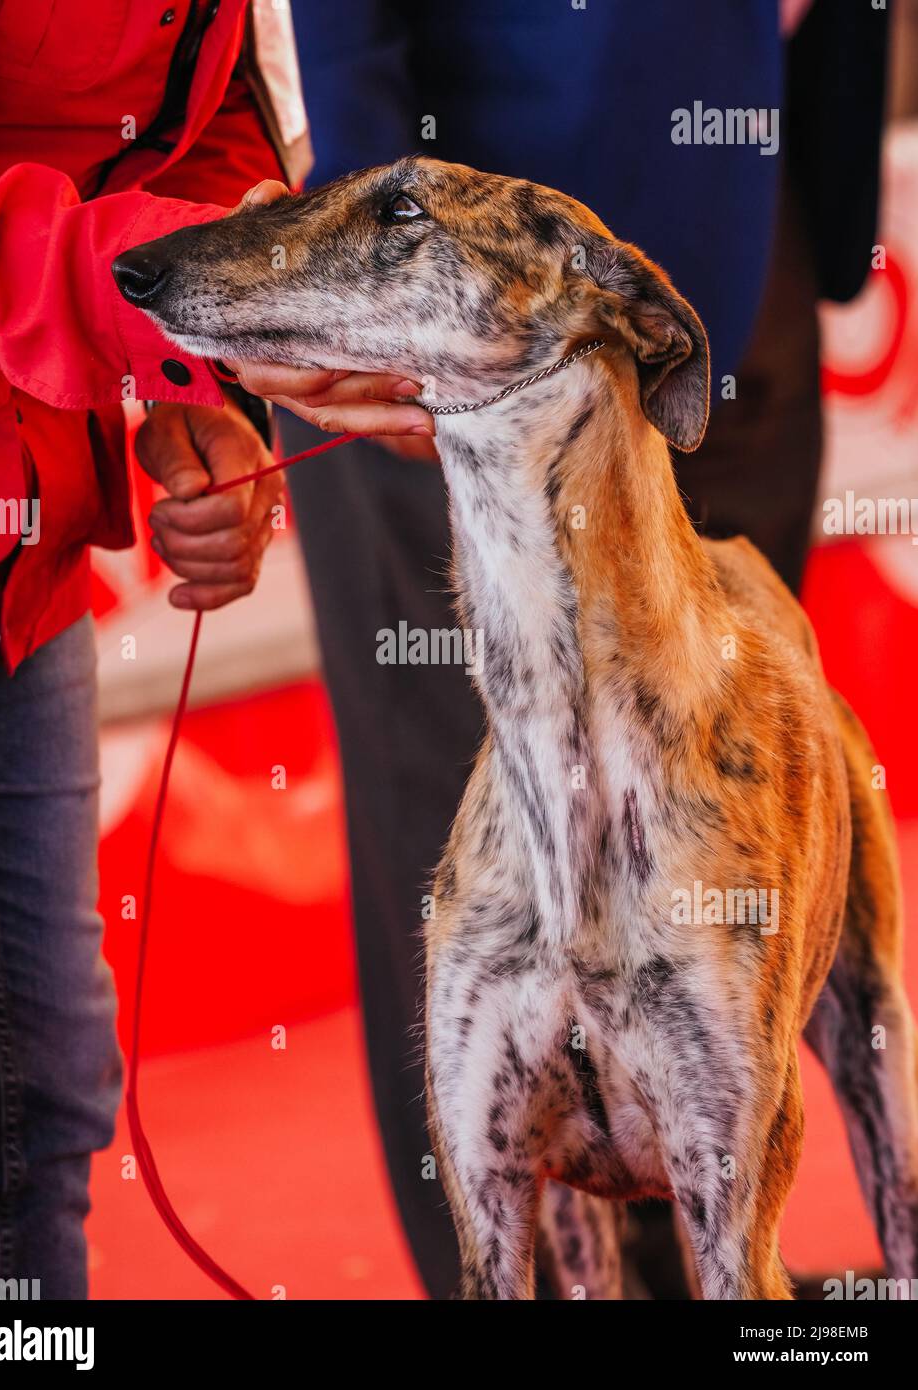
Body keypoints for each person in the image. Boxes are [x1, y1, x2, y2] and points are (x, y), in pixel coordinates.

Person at [259, 0, 892, 1298]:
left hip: (744, 239)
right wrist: (387, 272)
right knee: (476, 869)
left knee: (714, 841)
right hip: (479, 297)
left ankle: (684, 1273)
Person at [0, 0, 429, 1298]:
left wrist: (194, 390)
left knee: (49, 1089)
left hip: (17, 554)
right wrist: (140, 303)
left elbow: (203, 142)